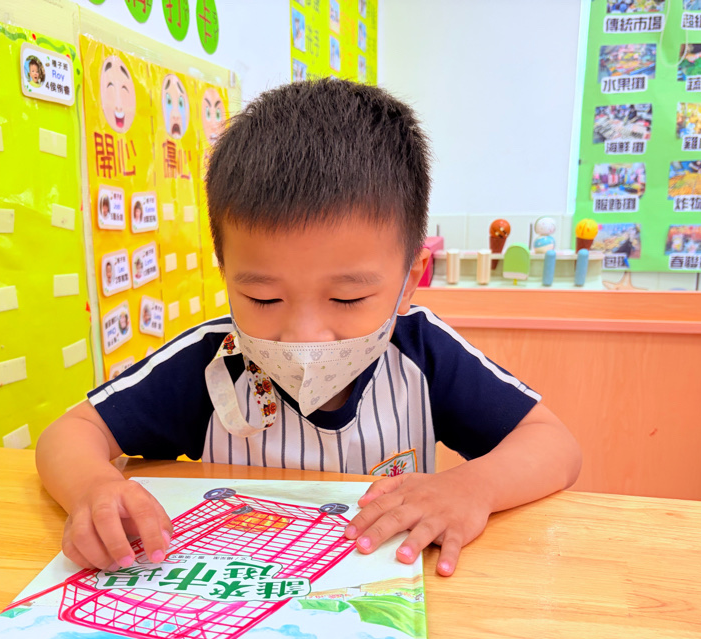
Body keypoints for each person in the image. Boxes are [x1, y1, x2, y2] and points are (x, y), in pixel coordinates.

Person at [36, 79, 581, 578]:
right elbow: (69, 433)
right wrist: (94, 487)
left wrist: (472, 486)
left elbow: (554, 444)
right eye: (263, 297)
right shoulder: (210, 361)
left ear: (409, 280)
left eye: (347, 298)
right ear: (226, 274)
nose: (304, 335)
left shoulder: (423, 352)